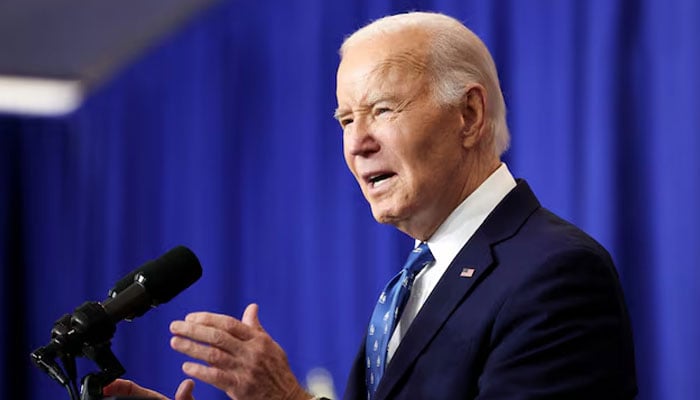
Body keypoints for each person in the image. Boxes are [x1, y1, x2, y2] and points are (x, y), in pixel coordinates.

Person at [104, 11, 638, 400]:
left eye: (381, 109)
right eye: (344, 120)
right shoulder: (416, 279)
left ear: (469, 115)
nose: (357, 143)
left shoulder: (556, 274)